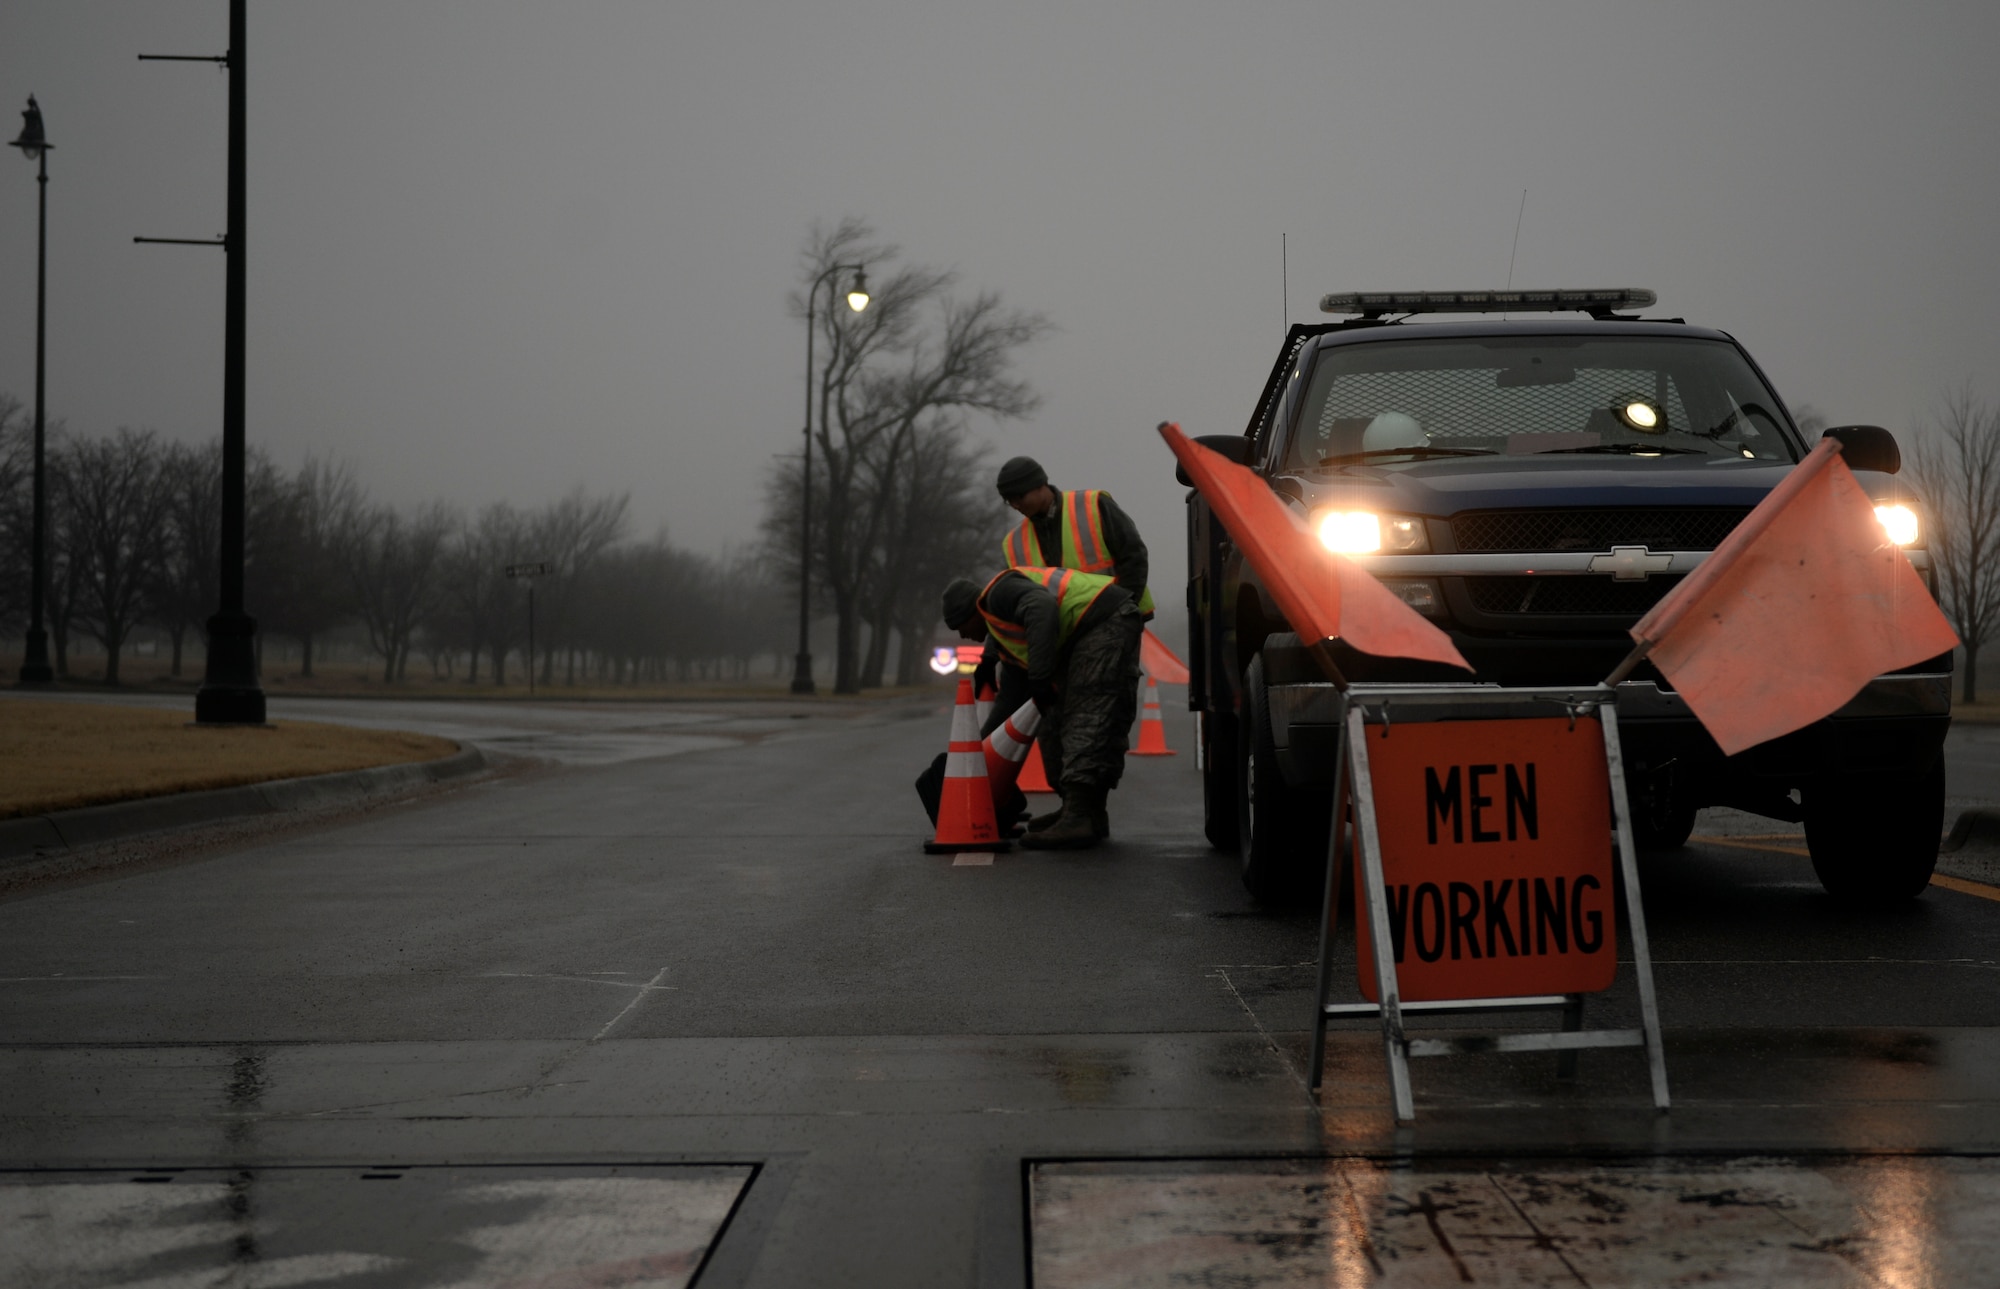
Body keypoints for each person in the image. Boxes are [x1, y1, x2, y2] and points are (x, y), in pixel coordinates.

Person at [979, 457, 1152, 833]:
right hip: (1059, 642)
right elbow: (1020, 607)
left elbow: (1134, 557)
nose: (1017, 505)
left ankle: (1083, 811)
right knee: (1053, 721)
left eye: (1020, 495)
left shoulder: (1092, 507)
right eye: (1009, 501)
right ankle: (1077, 808)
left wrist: (1126, 610)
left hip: (1107, 627)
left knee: (1094, 715)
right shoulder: (1014, 543)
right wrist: (991, 654)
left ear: (1042, 484)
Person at [942, 566, 1144, 850]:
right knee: (1053, 720)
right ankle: (1083, 811)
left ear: (973, 612)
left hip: (1103, 618)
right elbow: (1008, 707)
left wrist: (1038, 678)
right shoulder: (1008, 636)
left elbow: (1042, 606)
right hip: (1085, 631)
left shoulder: (999, 593)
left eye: (960, 626)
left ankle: (1079, 816)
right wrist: (978, 756)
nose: (963, 636)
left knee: (1085, 714)